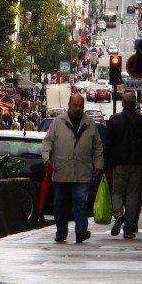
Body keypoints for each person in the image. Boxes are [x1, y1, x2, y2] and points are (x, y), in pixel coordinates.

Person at [40, 93, 103, 244]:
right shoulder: (58, 121)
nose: (78, 108)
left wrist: (98, 164)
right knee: (60, 204)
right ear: (69, 105)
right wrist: (46, 158)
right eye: (75, 105)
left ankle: (81, 231)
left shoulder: (89, 123)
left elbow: (98, 146)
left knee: (80, 202)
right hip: (61, 170)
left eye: (81, 106)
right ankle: (61, 231)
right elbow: (48, 141)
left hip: (82, 170)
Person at [104, 90, 142, 240]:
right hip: (137, 163)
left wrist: (104, 164)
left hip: (119, 163)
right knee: (133, 194)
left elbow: (108, 144)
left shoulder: (114, 120)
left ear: (122, 103)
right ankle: (128, 228)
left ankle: (119, 215)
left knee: (117, 191)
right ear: (135, 104)